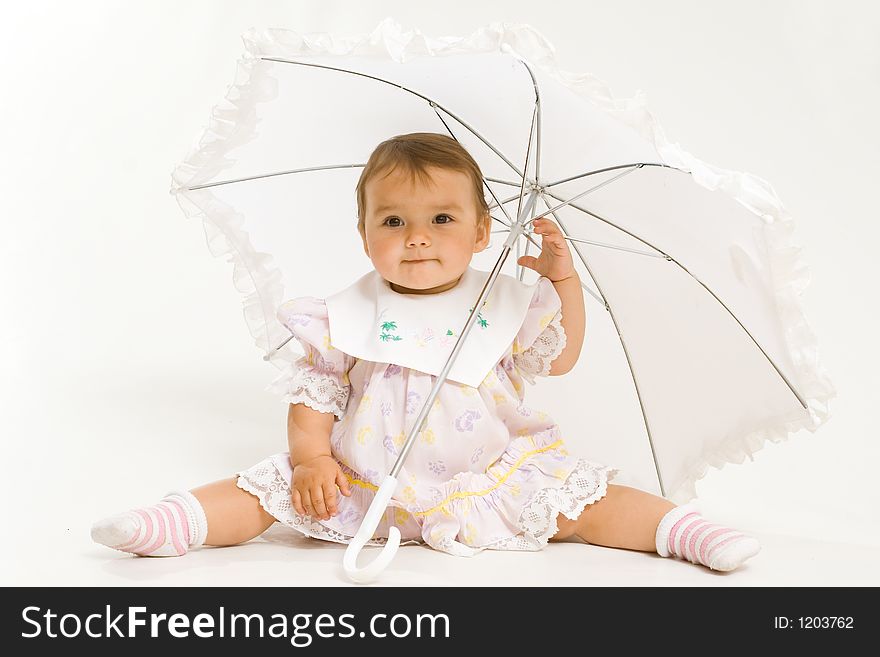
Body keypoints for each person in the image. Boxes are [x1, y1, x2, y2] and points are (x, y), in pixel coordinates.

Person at [91, 133, 760, 572]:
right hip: (361, 480)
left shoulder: (498, 304)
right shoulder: (343, 316)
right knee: (264, 492)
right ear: (364, 234)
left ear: (479, 233)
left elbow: (560, 357)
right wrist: (313, 459)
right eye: (394, 221)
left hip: (486, 477)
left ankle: (684, 530)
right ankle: (174, 521)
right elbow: (315, 398)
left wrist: (560, 280)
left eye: (441, 218)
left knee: (587, 503)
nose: (417, 238)